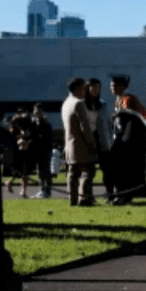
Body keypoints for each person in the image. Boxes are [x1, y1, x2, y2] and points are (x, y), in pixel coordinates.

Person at [109, 74, 146, 204]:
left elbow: (140, 116)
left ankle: (125, 195)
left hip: (129, 140)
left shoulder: (128, 98)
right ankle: (120, 194)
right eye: (111, 85)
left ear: (123, 86)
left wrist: (121, 112)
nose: (112, 88)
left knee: (125, 170)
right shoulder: (118, 99)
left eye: (115, 85)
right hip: (121, 137)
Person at [62, 78, 97, 206]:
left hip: (69, 144)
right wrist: (91, 143)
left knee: (72, 174)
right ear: (78, 89)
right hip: (81, 144)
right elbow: (85, 127)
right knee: (88, 172)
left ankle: (73, 199)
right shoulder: (79, 103)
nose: (85, 91)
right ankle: (84, 198)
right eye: (84, 88)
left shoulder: (66, 103)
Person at [29, 103, 54, 198]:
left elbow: (43, 137)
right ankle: (44, 190)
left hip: (44, 150)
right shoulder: (37, 123)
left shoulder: (44, 123)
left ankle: (45, 190)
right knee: (41, 170)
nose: (36, 114)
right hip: (40, 151)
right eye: (35, 112)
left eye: (38, 112)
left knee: (44, 171)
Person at [6, 111, 33, 198]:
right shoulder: (13, 127)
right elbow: (13, 134)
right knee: (22, 172)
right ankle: (12, 184)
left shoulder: (24, 127)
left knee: (25, 173)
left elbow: (26, 135)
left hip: (25, 151)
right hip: (19, 152)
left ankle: (23, 191)